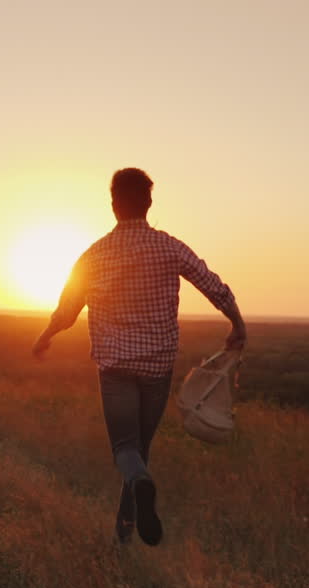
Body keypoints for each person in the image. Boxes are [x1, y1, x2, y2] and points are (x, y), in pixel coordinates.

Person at [32, 168, 246, 546]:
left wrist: (45, 336)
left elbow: (67, 311)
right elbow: (212, 285)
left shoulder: (93, 255)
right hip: (157, 367)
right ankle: (124, 536)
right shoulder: (169, 246)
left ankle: (127, 526)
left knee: (125, 450)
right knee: (139, 451)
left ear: (114, 205)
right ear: (148, 203)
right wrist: (237, 323)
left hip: (115, 367)